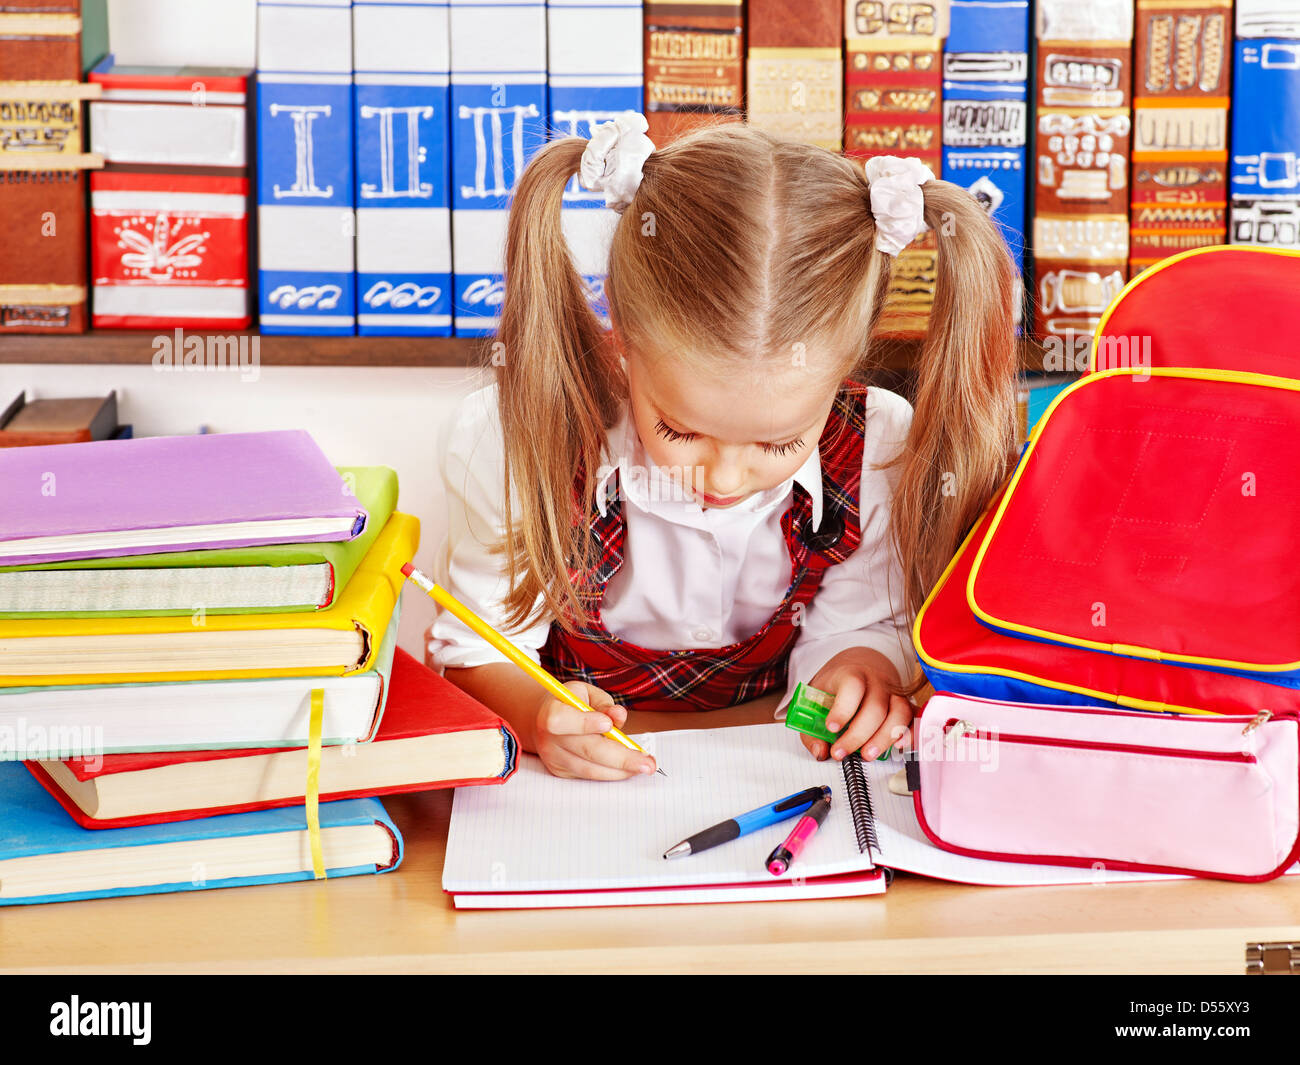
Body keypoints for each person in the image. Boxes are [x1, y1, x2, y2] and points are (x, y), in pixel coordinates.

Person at [427, 114, 1018, 780]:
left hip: (769, 771)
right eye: (680, 430)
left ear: (840, 371)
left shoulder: (878, 448)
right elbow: (475, 654)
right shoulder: (521, 439)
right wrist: (539, 716)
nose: (727, 476)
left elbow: (853, 628)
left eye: (779, 441)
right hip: (576, 791)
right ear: (623, 334)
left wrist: (861, 668)